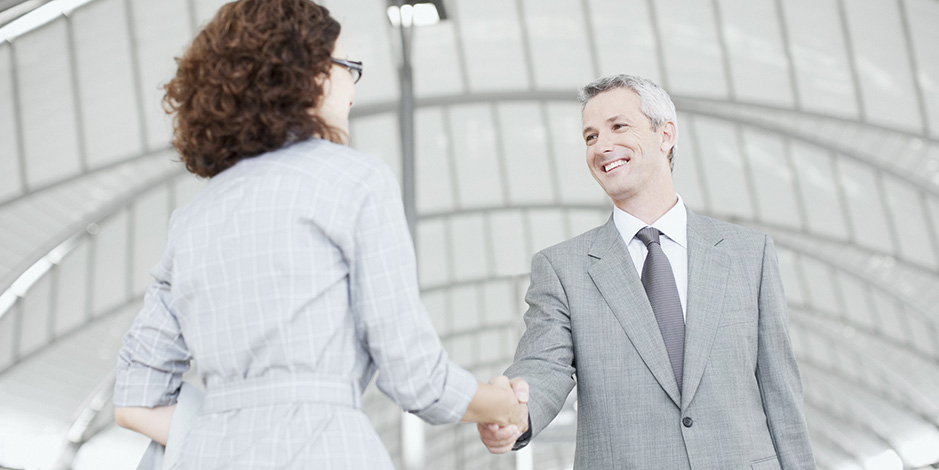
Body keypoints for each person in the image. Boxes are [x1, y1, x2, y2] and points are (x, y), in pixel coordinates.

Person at [112, 1, 527, 468]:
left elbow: (135, 404)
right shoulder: (354, 182)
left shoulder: (190, 222)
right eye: (349, 68)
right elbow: (417, 379)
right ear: (310, 74)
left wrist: (230, 429)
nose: (352, 88)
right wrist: (504, 404)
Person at [478, 74, 815, 469]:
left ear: (665, 134)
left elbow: (781, 392)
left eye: (618, 126)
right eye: (590, 137)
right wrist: (514, 411)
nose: (602, 146)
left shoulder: (748, 254)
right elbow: (543, 365)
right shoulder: (562, 269)